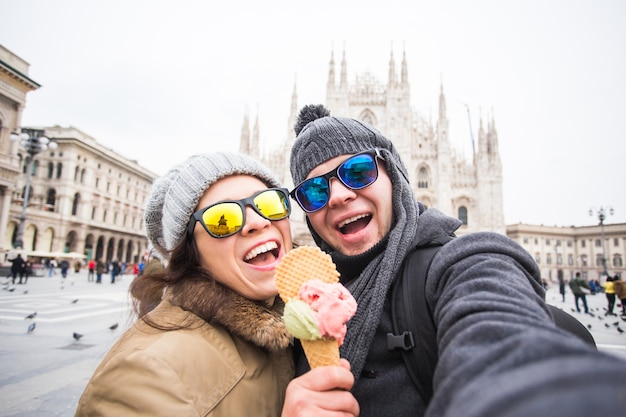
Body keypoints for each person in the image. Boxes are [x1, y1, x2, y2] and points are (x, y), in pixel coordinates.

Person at [283, 104, 626, 417]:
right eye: (314, 191)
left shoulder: (459, 262)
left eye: (357, 172)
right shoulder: (299, 298)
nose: (340, 195)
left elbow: (503, 338)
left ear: (394, 175)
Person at [75, 152, 296, 416]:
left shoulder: (296, 324)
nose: (259, 222)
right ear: (188, 252)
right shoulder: (146, 376)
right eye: (222, 218)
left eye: (270, 203)